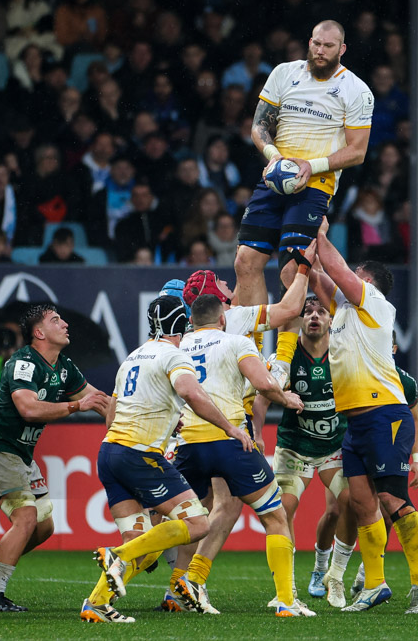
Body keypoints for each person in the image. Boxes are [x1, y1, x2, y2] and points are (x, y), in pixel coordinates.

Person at [81, 295, 253, 623]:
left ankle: (96, 602)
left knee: (141, 543)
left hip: (110, 453)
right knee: (198, 522)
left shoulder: (132, 357)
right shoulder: (175, 355)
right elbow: (191, 392)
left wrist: (167, 418)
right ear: (183, 323)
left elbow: (113, 415)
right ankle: (117, 555)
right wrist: (229, 426)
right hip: (140, 455)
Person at [164, 261, 313, 613]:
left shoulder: (180, 341)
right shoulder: (235, 320)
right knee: (271, 514)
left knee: (202, 512)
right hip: (229, 426)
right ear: (219, 307)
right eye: (221, 284)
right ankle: (283, 599)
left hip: (190, 431)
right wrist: (304, 269)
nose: (230, 286)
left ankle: (176, 584)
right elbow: (290, 310)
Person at [308, 217, 418, 614]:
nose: (349, 280)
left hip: (385, 415)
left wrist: (321, 234)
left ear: (370, 283)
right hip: (356, 423)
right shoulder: (343, 312)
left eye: (357, 276)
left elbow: (337, 270)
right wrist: (300, 241)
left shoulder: (375, 304)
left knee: (392, 500)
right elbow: (315, 276)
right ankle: (376, 585)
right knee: (363, 505)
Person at [0, 303, 110, 612]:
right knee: (26, 518)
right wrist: (75, 407)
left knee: (44, 528)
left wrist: (144, 417)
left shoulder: (64, 366)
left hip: (20, 455)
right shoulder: (24, 363)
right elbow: (28, 409)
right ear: (39, 332)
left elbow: (99, 400)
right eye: (56, 320)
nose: (65, 324)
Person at [235, 19, 372, 311]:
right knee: (245, 261)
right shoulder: (284, 73)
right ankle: (252, 349)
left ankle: (288, 354)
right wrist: (273, 155)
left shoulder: (356, 90)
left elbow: (358, 151)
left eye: (328, 46)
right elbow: (258, 127)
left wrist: (312, 165)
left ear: (342, 49)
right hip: (275, 177)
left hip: (315, 184)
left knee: (291, 271)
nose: (320, 50)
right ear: (309, 42)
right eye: (316, 43)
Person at [249, 295, 354, 608]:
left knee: (346, 505)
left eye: (321, 311)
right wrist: (256, 433)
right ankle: (287, 589)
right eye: (307, 311)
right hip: (295, 446)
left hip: (334, 445)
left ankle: (330, 573)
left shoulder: (343, 354)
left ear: (330, 321)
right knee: (284, 510)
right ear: (299, 320)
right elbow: (261, 398)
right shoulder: (286, 356)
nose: (314, 317)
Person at [348, 330, 418, 601]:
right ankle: (372, 578)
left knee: (389, 500)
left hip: (388, 431)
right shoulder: (354, 367)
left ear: (393, 349)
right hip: (357, 435)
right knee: (364, 505)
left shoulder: (405, 382)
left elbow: (414, 420)